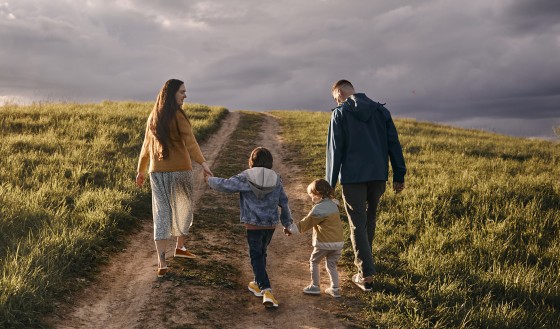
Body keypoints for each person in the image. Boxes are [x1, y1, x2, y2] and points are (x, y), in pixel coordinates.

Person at [326, 79, 406, 292]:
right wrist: (399, 175)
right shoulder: (381, 112)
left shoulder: (340, 113)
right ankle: (366, 263)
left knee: (357, 224)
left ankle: (366, 275)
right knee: (369, 219)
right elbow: (393, 144)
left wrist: (329, 185)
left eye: (336, 98)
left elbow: (335, 152)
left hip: (353, 178)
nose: (337, 101)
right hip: (378, 176)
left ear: (341, 92)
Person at [136, 79, 213, 278]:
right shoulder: (178, 115)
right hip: (180, 171)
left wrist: (141, 170)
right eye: (182, 92)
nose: (185, 95)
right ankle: (179, 247)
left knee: (161, 214)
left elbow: (146, 146)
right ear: (172, 94)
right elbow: (191, 142)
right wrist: (203, 164)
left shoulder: (153, 116)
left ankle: (162, 262)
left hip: (157, 172)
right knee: (184, 209)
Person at [205, 147, 293, 308]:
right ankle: (257, 283)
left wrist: (210, 180)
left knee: (256, 256)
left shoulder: (247, 176)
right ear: (270, 162)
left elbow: (226, 185)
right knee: (262, 253)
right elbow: (284, 202)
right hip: (270, 225)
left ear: (252, 161)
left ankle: (267, 290)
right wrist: (287, 224)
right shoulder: (276, 179)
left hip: (253, 225)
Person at [286, 179, 344, 298]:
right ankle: (335, 288)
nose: (311, 198)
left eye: (312, 195)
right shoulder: (334, 205)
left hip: (324, 243)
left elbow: (306, 223)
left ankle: (315, 286)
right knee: (331, 265)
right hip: (338, 243)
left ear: (318, 194)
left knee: (314, 261)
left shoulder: (319, 209)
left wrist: (291, 229)